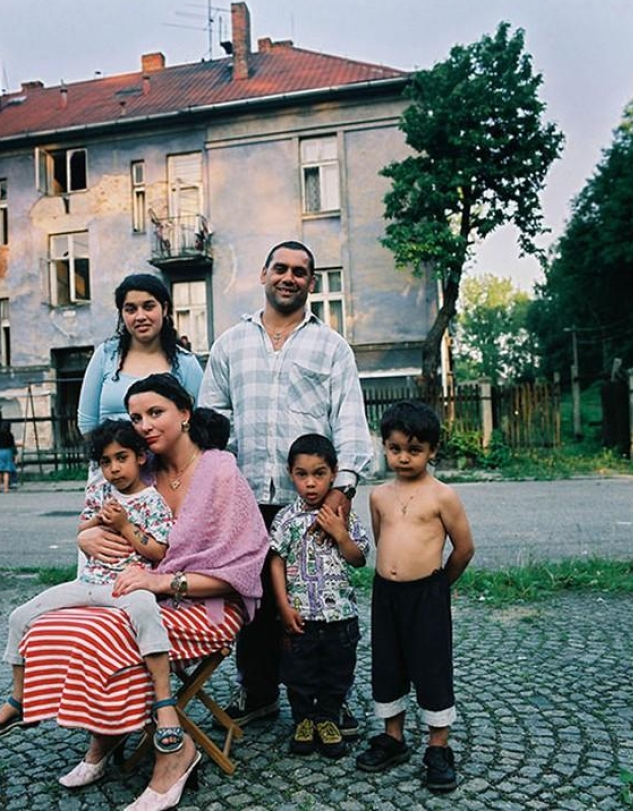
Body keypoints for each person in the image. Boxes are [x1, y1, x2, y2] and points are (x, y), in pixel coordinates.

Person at [47, 373, 268, 810]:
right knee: (71, 623)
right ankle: (105, 733)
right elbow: (95, 520)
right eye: (136, 417)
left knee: (113, 633)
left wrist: (162, 581)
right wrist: (83, 537)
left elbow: (245, 568)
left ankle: (176, 753)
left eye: (155, 412)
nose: (144, 424)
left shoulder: (221, 472)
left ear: (184, 413)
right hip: (143, 597)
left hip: (212, 604)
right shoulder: (138, 470)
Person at [199, 239, 373, 733]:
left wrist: (343, 489)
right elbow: (212, 424)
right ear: (264, 274)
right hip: (247, 500)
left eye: (300, 271)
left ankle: (326, 701)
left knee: (318, 608)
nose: (289, 278)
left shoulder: (332, 347)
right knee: (253, 604)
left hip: (311, 504)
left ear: (311, 283)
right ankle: (257, 695)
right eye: (281, 268)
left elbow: (350, 421)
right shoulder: (232, 343)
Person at [0, 419, 184, 756]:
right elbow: (83, 526)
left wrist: (124, 525)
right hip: (88, 582)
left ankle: (164, 702)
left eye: (121, 458)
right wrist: (97, 521)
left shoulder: (152, 501)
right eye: (106, 462)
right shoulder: (100, 492)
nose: (114, 469)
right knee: (20, 616)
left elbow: (158, 551)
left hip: (129, 584)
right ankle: (20, 699)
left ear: (141, 458)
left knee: (148, 612)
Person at [356, 400, 475, 793]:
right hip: (386, 593)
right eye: (395, 449)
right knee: (388, 662)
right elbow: (380, 539)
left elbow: (463, 548)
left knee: (431, 664)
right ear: (385, 446)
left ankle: (438, 747)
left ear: (432, 450)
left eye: (414, 450)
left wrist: (439, 586)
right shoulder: (378, 496)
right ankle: (393, 737)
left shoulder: (443, 496)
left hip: (426, 594)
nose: (403, 457)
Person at [270, 434, 369, 759]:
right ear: (290, 473)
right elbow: (275, 560)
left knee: (338, 671)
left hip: (340, 616)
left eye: (319, 474)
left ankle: (328, 718)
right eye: (302, 474)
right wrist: (283, 606)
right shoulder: (286, 519)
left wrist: (340, 534)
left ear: (334, 473)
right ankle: (303, 720)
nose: (311, 484)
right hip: (300, 615)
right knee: (298, 672)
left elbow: (359, 558)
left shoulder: (344, 516)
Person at [76, 273, 203, 437]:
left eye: (148, 307)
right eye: (131, 309)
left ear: (164, 309)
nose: (140, 316)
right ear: (122, 314)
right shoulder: (106, 355)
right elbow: (87, 423)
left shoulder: (186, 363)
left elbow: (199, 423)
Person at [0, 420, 17, 493]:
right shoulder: (10, 435)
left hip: (0, 452)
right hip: (8, 452)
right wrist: (15, 453)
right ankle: (6, 489)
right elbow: (12, 445)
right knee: (6, 471)